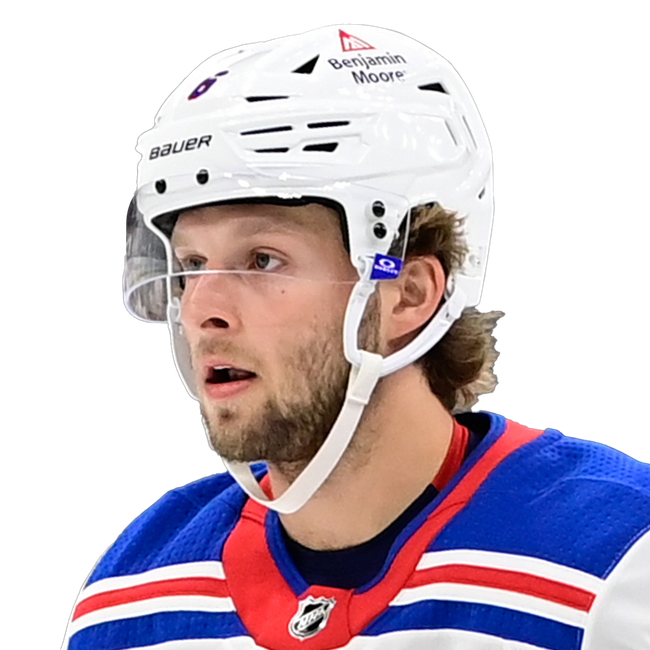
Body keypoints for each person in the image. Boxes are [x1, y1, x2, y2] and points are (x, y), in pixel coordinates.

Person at [62, 23, 649, 650]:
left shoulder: (619, 561)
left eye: (262, 260)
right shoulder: (132, 592)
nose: (201, 309)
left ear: (409, 293)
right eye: (192, 266)